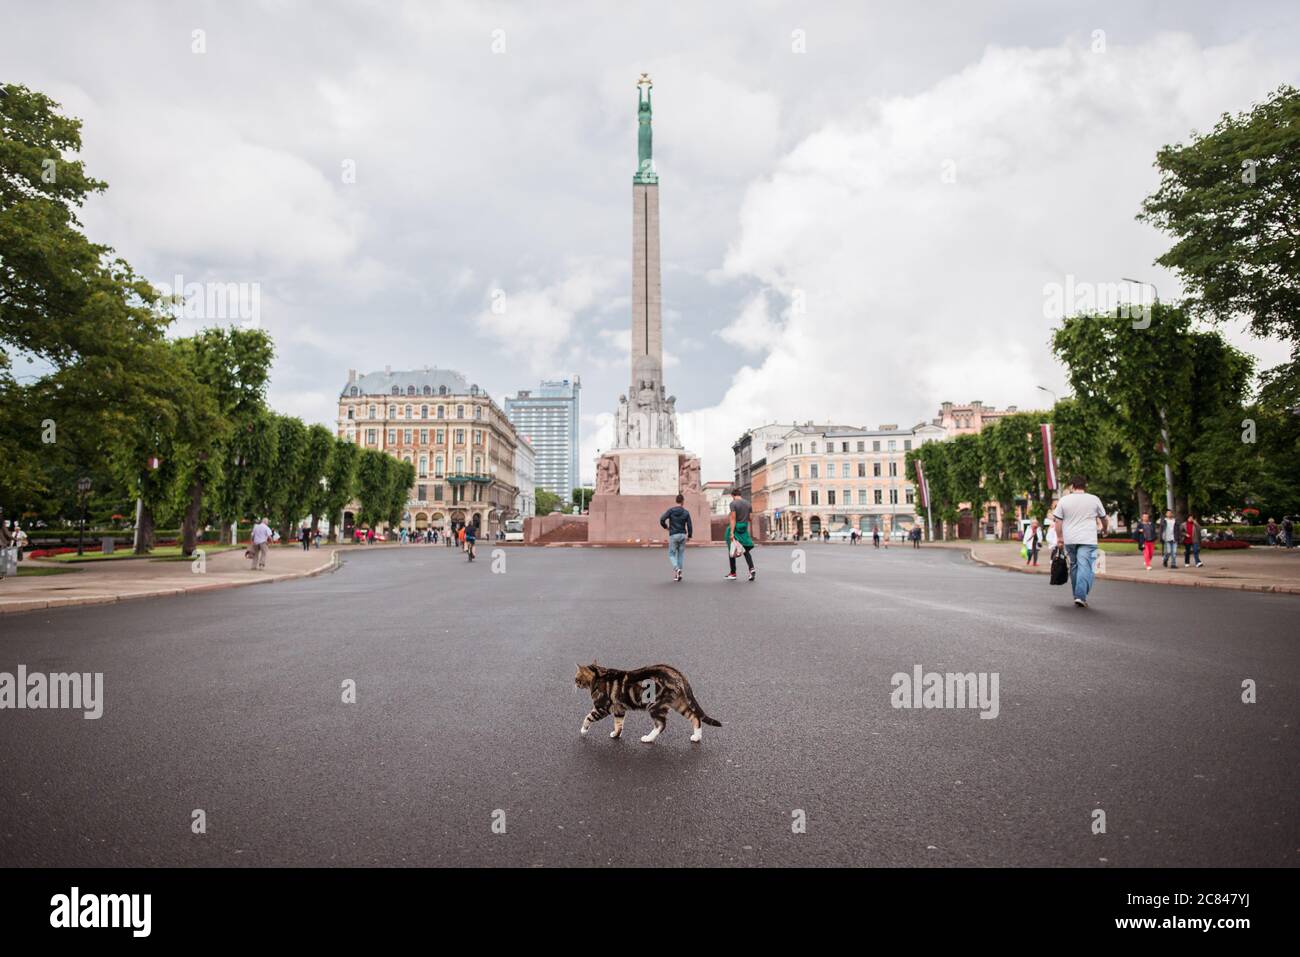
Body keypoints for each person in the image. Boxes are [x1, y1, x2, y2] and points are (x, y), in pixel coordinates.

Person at [1051, 474, 1108, 608]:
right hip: (1088, 539)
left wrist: (1059, 538)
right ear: (1085, 486)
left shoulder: (1064, 500)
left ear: (1072, 486)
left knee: (1075, 566)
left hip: (1070, 539)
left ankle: (1077, 595)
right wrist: (1105, 529)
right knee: (1085, 566)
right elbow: (1104, 518)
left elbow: (1058, 521)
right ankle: (1080, 596)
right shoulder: (1094, 499)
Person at [659, 494, 693, 582]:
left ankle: (676, 569)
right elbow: (689, 525)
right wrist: (689, 535)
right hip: (682, 535)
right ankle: (679, 574)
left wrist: (666, 527)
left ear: (676, 501)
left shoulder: (671, 511)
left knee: (671, 554)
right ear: (683, 501)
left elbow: (662, 519)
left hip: (673, 534)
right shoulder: (686, 512)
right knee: (680, 554)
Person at [724, 489, 755, 582]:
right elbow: (750, 518)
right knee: (745, 550)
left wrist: (732, 532)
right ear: (740, 494)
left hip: (736, 527)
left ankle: (733, 573)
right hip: (744, 527)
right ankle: (752, 569)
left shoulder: (733, 504)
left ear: (733, 495)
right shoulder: (748, 504)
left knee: (732, 549)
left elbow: (733, 518)